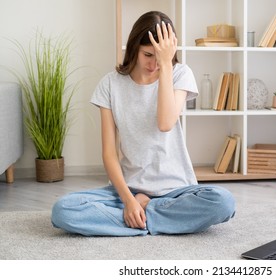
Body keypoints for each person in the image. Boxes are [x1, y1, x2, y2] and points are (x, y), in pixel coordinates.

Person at [51, 11, 235, 236]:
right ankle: (149, 217)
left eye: (161, 57)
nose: (154, 64)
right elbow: (109, 154)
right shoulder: (110, 84)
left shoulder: (179, 74)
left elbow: (165, 122)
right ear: (134, 47)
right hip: (129, 190)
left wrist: (166, 64)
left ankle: (144, 213)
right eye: (148, 54)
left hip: (177, 192)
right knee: (63, 210)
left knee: (223, 202)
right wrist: (129, 200)